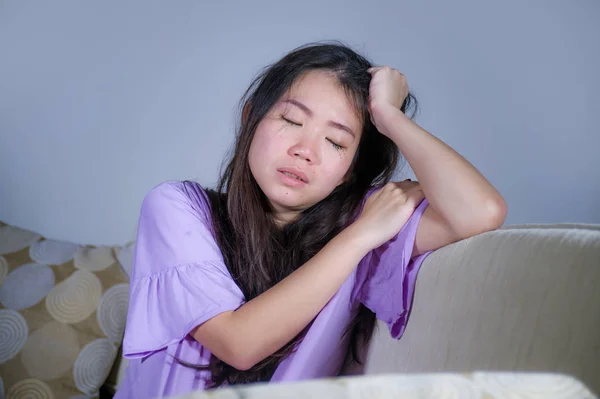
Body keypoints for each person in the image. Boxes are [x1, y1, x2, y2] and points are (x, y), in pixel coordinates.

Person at [114, 41, 506, 398]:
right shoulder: (178, 208)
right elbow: (239, 344)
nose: (305, 151)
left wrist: (390, 117)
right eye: (291, 120)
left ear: (350, 170)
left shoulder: (365, 224)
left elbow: (480, 212)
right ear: (251, 118)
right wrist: (358, 237)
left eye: (336, 142)